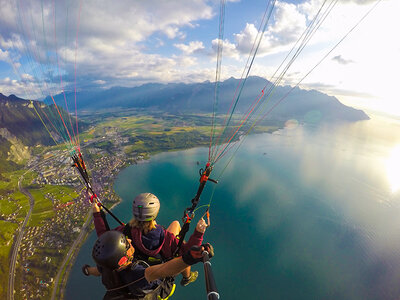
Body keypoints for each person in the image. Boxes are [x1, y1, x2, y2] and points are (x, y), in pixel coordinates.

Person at [85, 192, 207, 287]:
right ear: (155, 214)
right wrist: (198, 233)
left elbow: (105, 238)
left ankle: (87, 270)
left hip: (138, 261)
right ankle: (187, 277)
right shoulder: (164, 238)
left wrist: (97, 213)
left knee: (175, 225)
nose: (130, 242)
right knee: (179, 245)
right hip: (158, 270)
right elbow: (187, 252)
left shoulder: (123, 232)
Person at [91, 230, 214, 300]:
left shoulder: (107, 266)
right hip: (159, 290)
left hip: (127, 292)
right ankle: (187, 278)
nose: (130, 240)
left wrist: (86, 270)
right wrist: (189, 257)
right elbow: (163, 270)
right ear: (123, 260)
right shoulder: (135, 273)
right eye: (127, 245)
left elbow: (97, 271)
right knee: (178, 253)